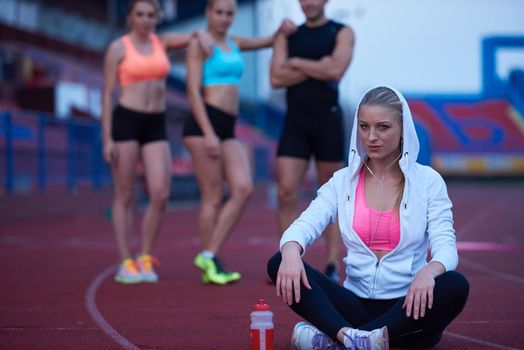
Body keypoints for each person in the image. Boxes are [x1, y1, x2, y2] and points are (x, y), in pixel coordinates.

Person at [267, 86, 469, 349]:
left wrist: (430, 272)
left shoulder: (428, 181)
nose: (371, 136)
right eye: (364, 127)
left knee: (454, 284)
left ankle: (336, 339)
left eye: (383, 127)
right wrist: (292, 250)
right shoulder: (342, 181)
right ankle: (357, 339)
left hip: (406, 307)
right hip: (352, 304)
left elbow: (446, 246)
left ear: (403, 129)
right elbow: (304, 225)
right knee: (279, 261)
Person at [183, 0, 295, 285]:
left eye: (229, 13)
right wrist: (208, 132)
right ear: (208, 13)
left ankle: (208, 255)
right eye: (218, 12)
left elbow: (269, 41)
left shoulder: (234, 42)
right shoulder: (200, 45)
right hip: (203, 122)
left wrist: (281, 30)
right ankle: (210, 261)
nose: (224, 17)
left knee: (242, 188)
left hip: (227, 125)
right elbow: (193, 93)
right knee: (211, 194)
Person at [102, 0, 211, 284]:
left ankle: (145, 256)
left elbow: (191, 36)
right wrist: (107, 139)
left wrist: (201, 34)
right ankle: (126, 260)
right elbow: (106, 95)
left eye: (151, 14)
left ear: (157, 17)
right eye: (140, 14)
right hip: (126, 120)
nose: (145, 19)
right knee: (125, 195)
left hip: (155, 122)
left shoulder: (160, 42)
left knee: (161, 192)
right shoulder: (118, 48)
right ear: (130, 17)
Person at [270, 0, 355, 282]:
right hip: (295, 120)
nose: (309, 2)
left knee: (331, 195)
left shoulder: (341, 32)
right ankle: (289, 260)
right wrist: (318, 65)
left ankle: (332, 263)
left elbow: (335, 71)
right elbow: (275, 77)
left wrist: (294, 62)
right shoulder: (288, 34)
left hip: (327, 120)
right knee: (286, 193)